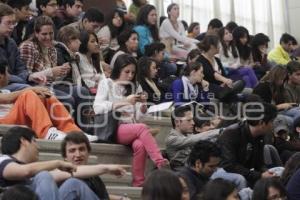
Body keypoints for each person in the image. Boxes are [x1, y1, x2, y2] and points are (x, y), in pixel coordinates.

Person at [93, 54, 168, 187]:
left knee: (140, 145)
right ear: (118, 70)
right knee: (142, 128)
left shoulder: (134, 86)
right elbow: (97, 108)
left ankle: (138, 182)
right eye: (126, 72)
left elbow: (138, 116)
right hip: (113, 128)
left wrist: (144, 107)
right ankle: (159, 161)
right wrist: (124, 102)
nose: (130, 76)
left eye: (133, 72)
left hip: (130, 128)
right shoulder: (107, 83)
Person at [0, 59, 97, 141]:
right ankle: (47, 133)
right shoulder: (8, 93)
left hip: (16, 119)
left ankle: (74, 132)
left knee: (45, 96)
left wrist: (39, 92)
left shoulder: (6, 90)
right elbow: (7, 99)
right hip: (4, 122)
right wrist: (31, 89)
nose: (10, 76)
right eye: (8, 72)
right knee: (28, 94)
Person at [0, 126, 99, 200]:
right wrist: (58, 163)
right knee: (43, 175)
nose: (38, 147)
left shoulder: (34, 173)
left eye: (82, 149)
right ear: (24, 141)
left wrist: (107, 168)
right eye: (35, 141)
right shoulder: (3, 160)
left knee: (74, 184)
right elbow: (25, 171)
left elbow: (73, 172)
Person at [217, 103, 278, 186]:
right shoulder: (231, 134)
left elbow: (259, 163)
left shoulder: (260, 136)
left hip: (245, 171)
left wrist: (266, 171)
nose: (273, 125)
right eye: (271, 121)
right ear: (262, 123)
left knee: (279, 170)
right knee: (240, 179)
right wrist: (259, 175)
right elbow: (229, 165)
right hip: (224, 172)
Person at [59, 132, 129, 200]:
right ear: (65, 156)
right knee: (73, 184)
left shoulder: (94, 178)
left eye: (82, 149)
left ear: (88, 152)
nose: (78, 155)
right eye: (72, 150)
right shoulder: (59, 177)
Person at [0, 3, 45, 91]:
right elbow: (3, 76)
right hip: (3, 86)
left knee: (50, 91)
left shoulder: (11, 43)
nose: (12, 27)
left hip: (18, 83)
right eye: (8, 23)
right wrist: (24, 79)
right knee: (31, 91)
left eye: (14, 23)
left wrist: (30, 76)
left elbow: (21, 68)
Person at [166, 105, 221, 170]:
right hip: (186, 173)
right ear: (177, 122)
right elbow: (193, 139)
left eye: (192, 119)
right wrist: (220, 131)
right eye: (189, 120)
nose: (193, 123)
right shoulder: (172, 139)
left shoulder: (189, 135)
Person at [197, 35, 245, 102]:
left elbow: (224, 75)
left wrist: (225, 82)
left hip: (222, 86)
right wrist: (225, 80)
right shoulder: (200, 60)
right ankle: (228, 93)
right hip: (209, 86)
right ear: (212, 46)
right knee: (233, 95)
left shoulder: (217, 59)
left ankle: (227, 93)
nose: (220, 46)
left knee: (241, 82)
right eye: (218, 44)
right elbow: (211, 73)